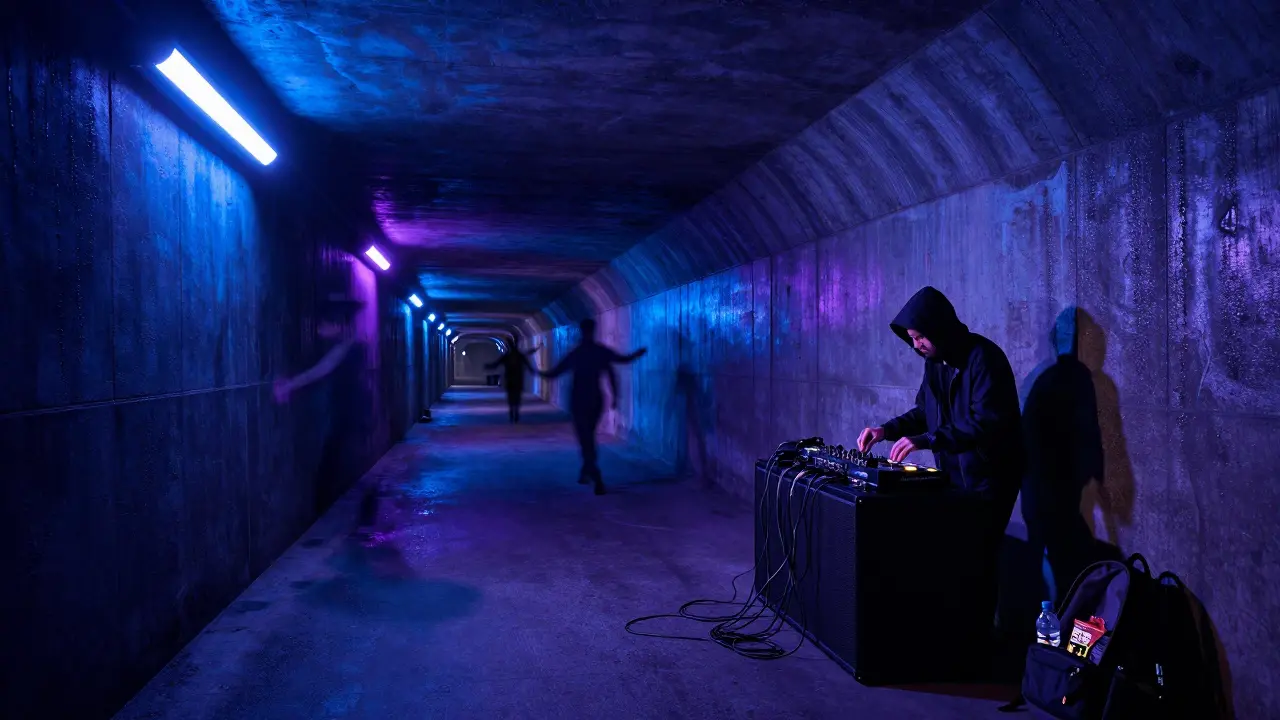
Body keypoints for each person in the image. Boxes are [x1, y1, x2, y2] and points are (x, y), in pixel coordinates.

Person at [856, 286, 1025, 630]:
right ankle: (964, 634)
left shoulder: (984, 358)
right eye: (912, 339)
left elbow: (985, 422)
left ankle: (983, 640)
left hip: (990, 476)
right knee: (960, 555)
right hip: (957, 475)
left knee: (980, 556)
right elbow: (925, 411)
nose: (916, 345)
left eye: (920, 337)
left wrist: (927, 440)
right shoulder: (935, 363)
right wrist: (885, 430)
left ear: (939, 327)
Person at [539, 318, 647, 495]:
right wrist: (637, 355)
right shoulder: (600, 351)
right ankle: (585, 471)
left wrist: (534, 370)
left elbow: (553, 373)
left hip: (578, 401)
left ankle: (596, 476)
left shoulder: (576, 353)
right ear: (593, 330)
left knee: (585, 438)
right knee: (588, 436)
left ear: (581, 330)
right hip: (596, 400)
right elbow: (620, 363)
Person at [484, 343, 540, 423]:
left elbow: (496, 364)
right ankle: (515, 412)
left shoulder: (507, 356)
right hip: (518, 379)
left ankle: (512, 411)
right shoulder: (520, 355)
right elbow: (528, 362)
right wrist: (533, 371)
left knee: (511, 395)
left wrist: (488, 366)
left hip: (510, 379)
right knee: (517, 395)